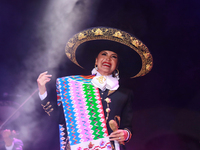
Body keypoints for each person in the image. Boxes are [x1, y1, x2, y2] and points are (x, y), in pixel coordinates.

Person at [37, 27, 153, 150]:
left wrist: (126, 134)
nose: (108, 59)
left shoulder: (124, 93)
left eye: (113, 56)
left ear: (117, 65)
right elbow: (60, 118)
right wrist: (43, 92)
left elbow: (127, 126)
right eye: (104, 54)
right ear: (96, 61)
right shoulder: (77, 86)